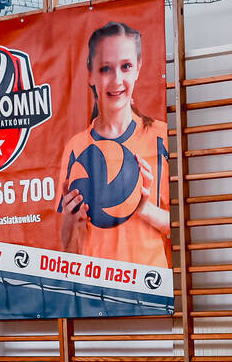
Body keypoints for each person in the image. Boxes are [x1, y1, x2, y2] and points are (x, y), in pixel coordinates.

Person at [58, 21, 170, 268]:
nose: (117, 80)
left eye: (126, 66)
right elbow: (69, 247)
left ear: (138, 68)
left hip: (147, 283)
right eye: (106, 68)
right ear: (91, 75)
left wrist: (142, 208)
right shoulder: (76, 147)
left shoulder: (161, 136)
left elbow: (180, 224)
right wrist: (71, 221)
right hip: (97, 282)